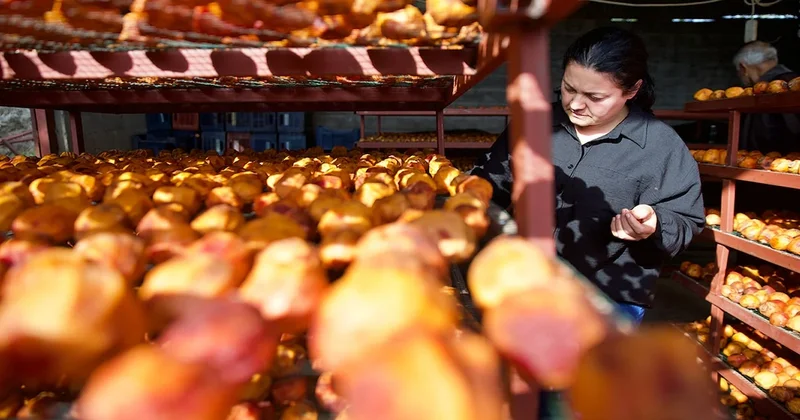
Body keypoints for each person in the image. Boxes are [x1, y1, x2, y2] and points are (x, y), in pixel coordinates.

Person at [471, 27, 705, 325]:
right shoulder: (535, 122)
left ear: (631, 90)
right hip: (525, 281)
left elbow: (687, 220)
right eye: (569, 88)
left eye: (595, 96)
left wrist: (654, 225)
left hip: (609, 296)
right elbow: (492, 182)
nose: (576, 104)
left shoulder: (660, 145)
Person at [733, 41, 800, 154]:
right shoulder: (794, 82)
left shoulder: (771, 90)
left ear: (743, 68)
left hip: (773, 162)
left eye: (738, 71)